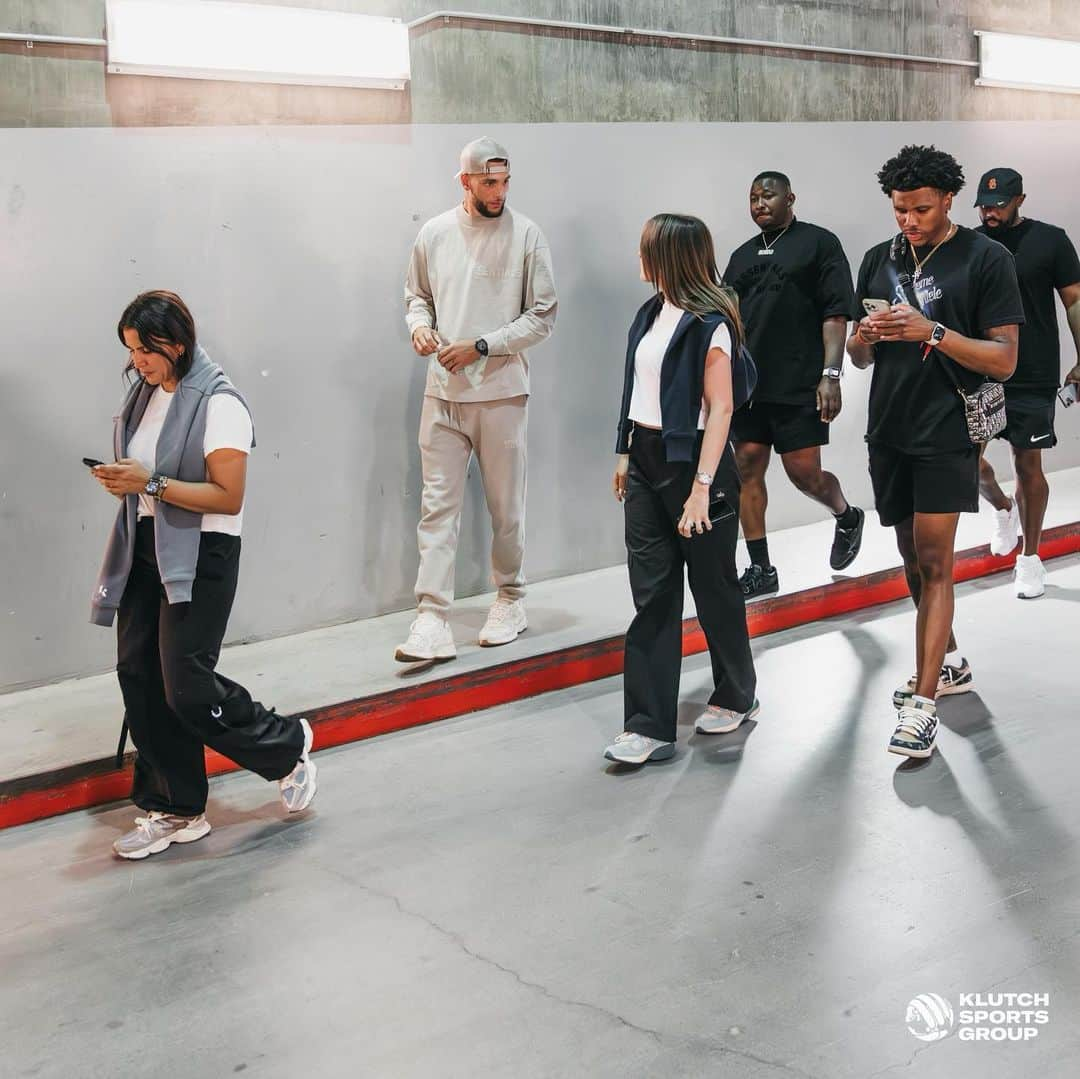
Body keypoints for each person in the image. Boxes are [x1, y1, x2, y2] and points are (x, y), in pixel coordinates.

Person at [90, 291, 317, 860]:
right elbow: (148, 473)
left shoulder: (220, 403)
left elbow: (228, 494)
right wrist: (127, 481)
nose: (136, 361)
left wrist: (149, 484)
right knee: (136, 673)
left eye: (145, 349)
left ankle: (286, 745)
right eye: (131, 350)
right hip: (145, 544)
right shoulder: (145, 395)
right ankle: (176, 808)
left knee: (186, 686)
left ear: (177, 343)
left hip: (201, 552)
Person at [847, 146, 1023, 759]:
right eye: (900, 210)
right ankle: (947, 666)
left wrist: (934, 332)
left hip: (948, 432)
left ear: (950, 199)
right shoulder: (879, 258)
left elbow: (1004, 359)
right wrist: (862, 337)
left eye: (921, 209)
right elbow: (858, 357)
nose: (910, 221)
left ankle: (923, 705)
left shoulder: (986, 258)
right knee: (910, 558)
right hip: (888, 431)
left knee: (935, 559)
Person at [605, 214, 758, 765]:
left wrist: (701, 488)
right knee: (652, 593)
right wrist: (624, 451)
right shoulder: (650, 312)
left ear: (669, 256)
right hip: (647, 461)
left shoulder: (710, 322)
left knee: (714, 587)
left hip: (696, 462)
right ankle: (647, 725)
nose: (640, 258)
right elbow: (633, 385)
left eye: (647, 249)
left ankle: (738, 692)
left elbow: (720, 409)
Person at [399, 136, 558, 662]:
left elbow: (543, 315)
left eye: (506, 180)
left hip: (501, 393)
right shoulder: (436, 233)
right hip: (441, 393)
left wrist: (483, 346)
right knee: (436, 508)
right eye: (489, 181)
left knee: (505, 509)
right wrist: (420, 327)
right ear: (464, 180)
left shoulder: (527, 234)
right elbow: (416, 297)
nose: (500, 191)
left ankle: (511, 598)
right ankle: (431, 618)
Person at [723, 171, 864, 598]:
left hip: (801, 382)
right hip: (748, 386)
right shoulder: (741, 256)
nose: (760, 203)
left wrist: (831, 374)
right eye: (752, 197)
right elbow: (726, 321)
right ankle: (762, 568)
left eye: (768, 195)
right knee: (746, 468)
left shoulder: (819, 244)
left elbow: (836, 314)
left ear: (790, 198)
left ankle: (846, 515)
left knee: (804, 474)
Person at [974, 167, 1080, 598]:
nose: (990, 212)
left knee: (1027, 464)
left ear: (1020, 199)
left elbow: (1074, 300)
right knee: (961, 464)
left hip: (1033, 371)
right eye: (984, 204)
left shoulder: (1050, 240)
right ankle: (1002, 508)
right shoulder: (971, 243)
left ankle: (1030, 559)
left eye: (999, 204)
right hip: (978, 369)